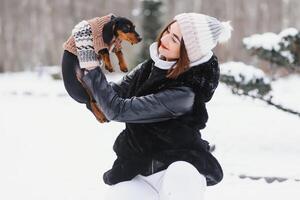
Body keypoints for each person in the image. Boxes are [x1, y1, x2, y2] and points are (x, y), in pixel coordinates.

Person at [61, 12, 233, 200]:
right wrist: (81, 61)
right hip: (139, 169)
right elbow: (110, 97)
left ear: (188, 52)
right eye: (168, 30)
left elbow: (117, 110)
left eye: (174, 39)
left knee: (180, 176)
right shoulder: (152, 67)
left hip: (180, 170)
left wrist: (92, 68)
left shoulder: (184, 94)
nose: (165, 38)